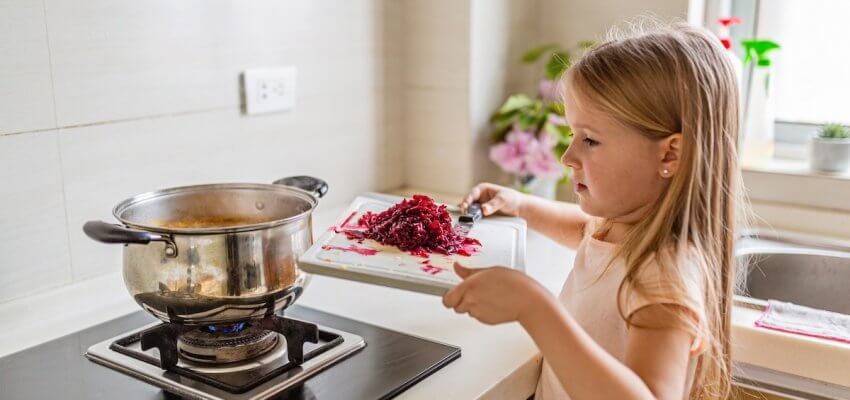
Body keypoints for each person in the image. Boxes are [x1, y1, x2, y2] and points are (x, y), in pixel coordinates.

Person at [443, 22, 749, 399]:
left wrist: (534, 308)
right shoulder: (622, 229)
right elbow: (587, 232)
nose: (568, 156)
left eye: (590, 139)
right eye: (573, 134)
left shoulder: (664, 280)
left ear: (670, 154)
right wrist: (521, 205)